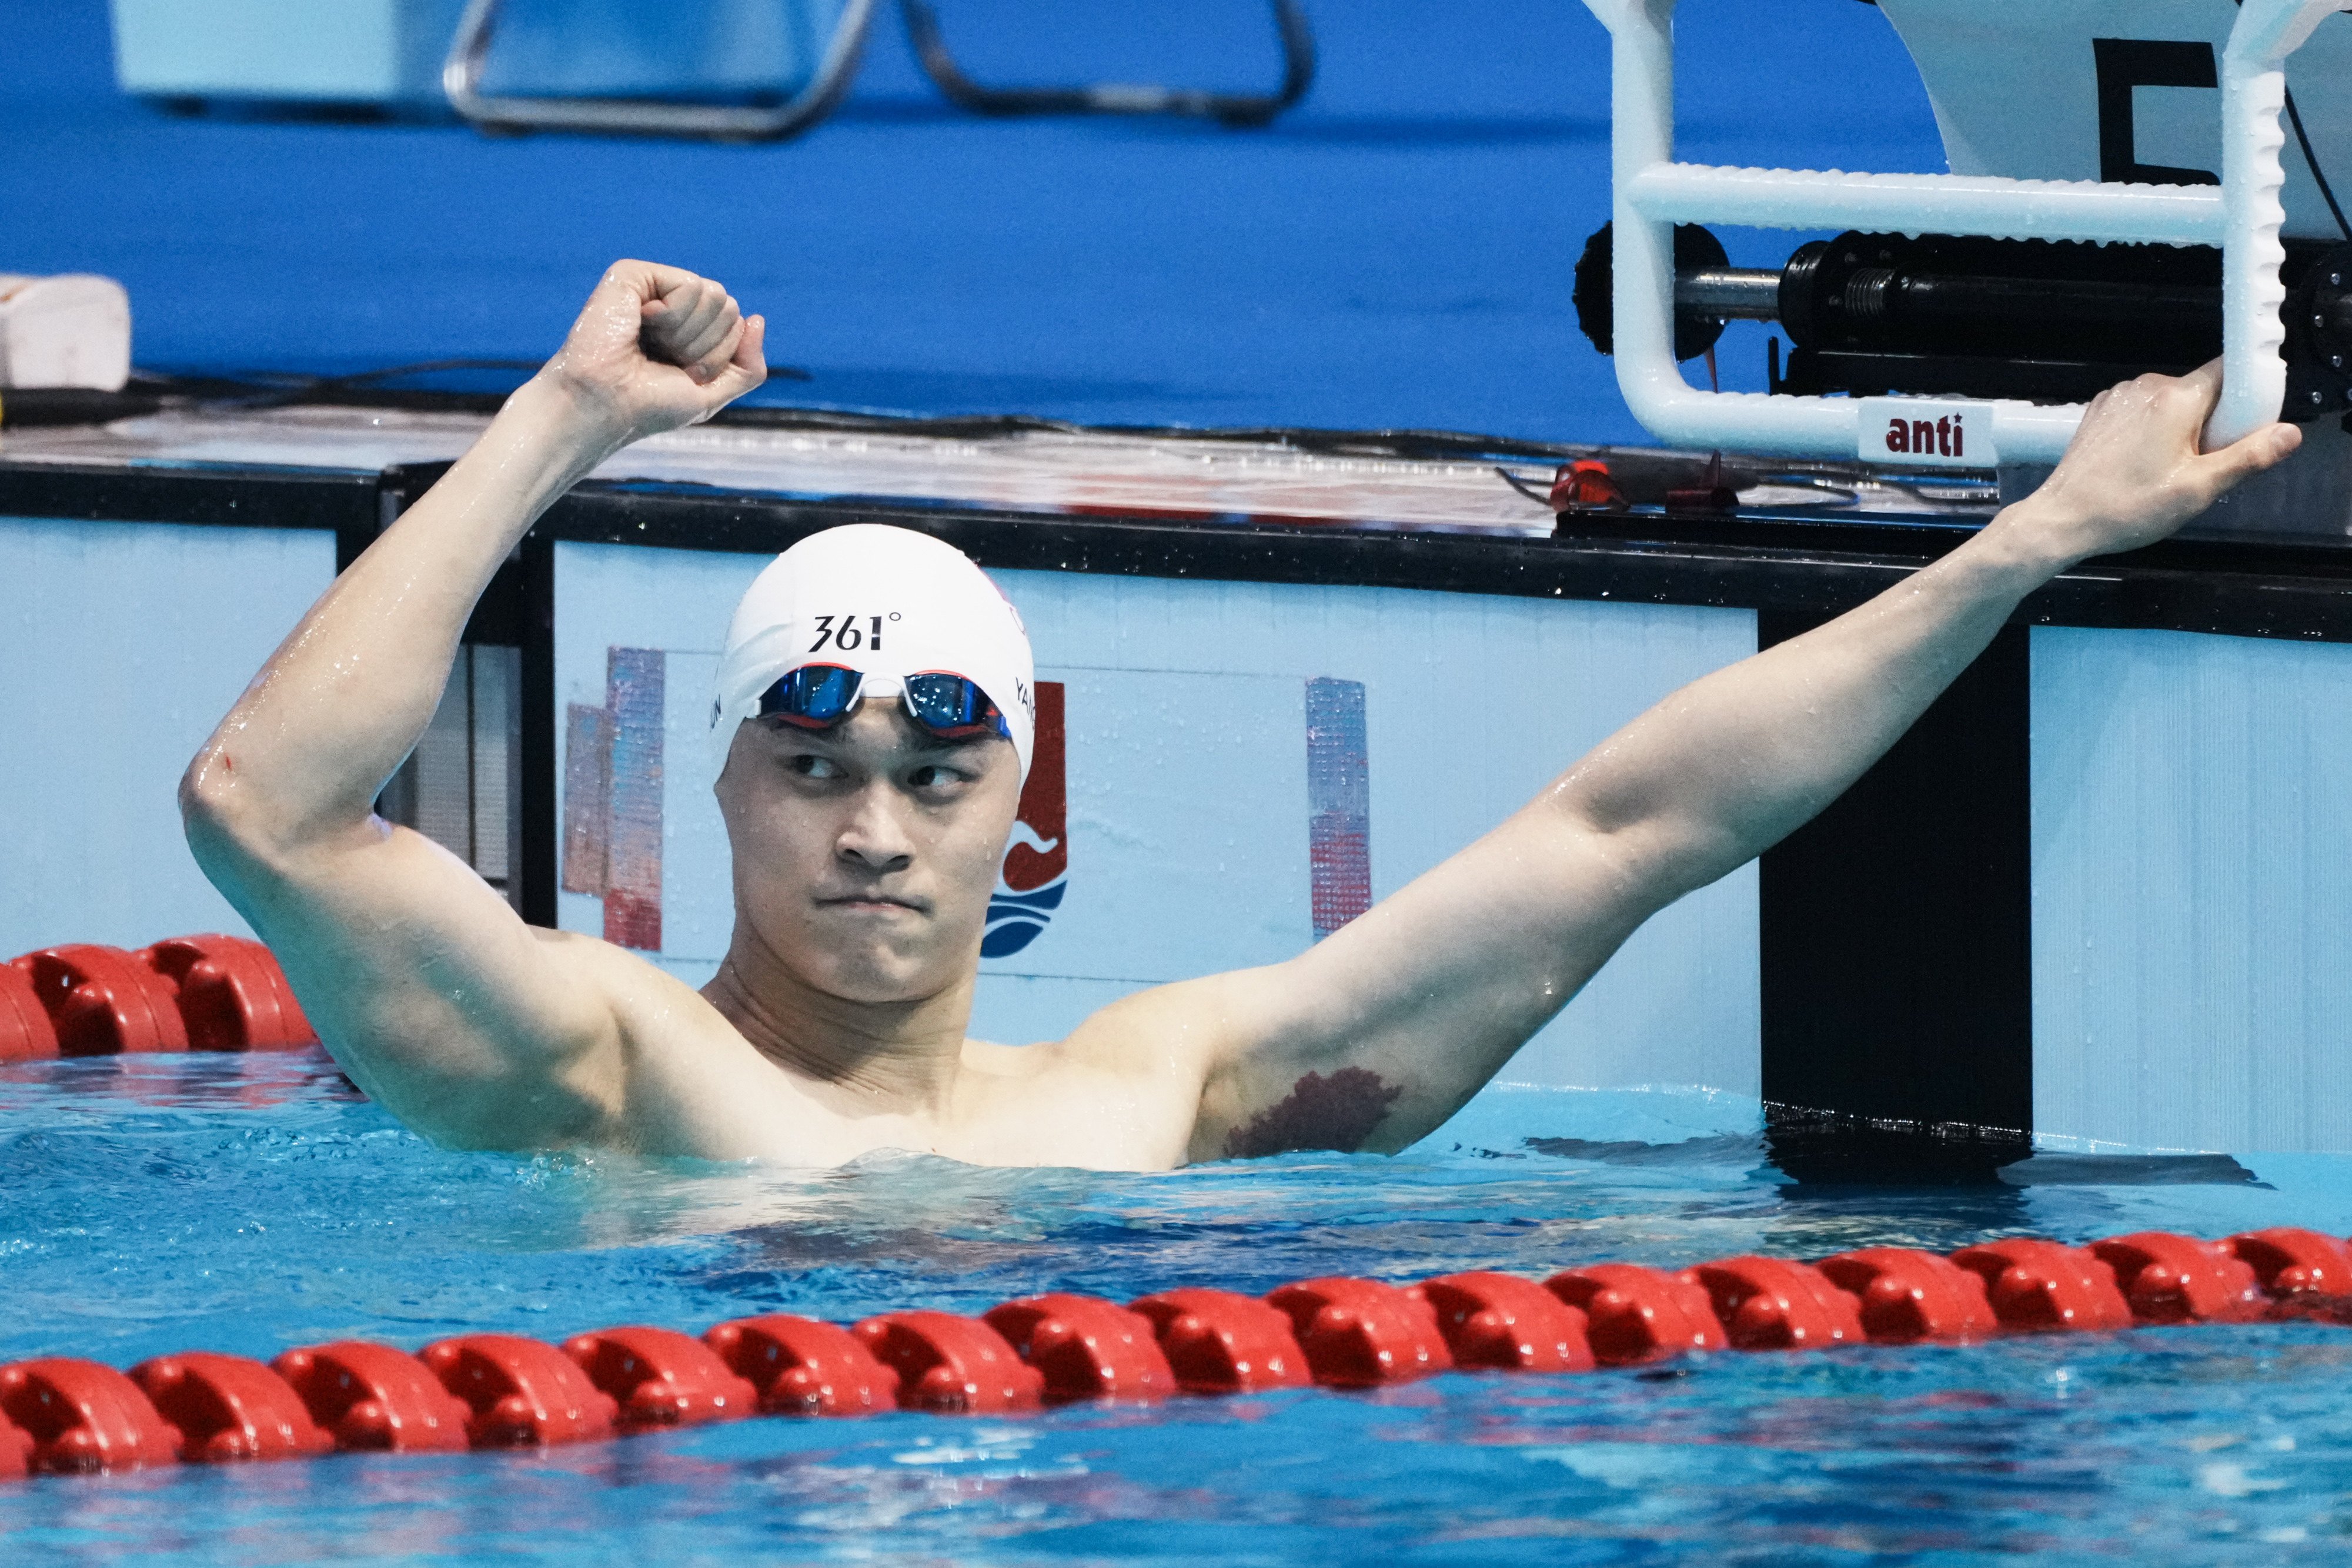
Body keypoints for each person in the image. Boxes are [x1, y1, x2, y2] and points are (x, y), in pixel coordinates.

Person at [181, 260, 2302, 1171]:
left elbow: (1625, 832)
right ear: (720, 782)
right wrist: (564, 418)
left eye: (935, 774)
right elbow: (268, 811)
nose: (871, 829)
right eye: (812, 767)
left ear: (1021, 804)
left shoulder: (1160, 1094)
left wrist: (2026, 544)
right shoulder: (609, 1064)